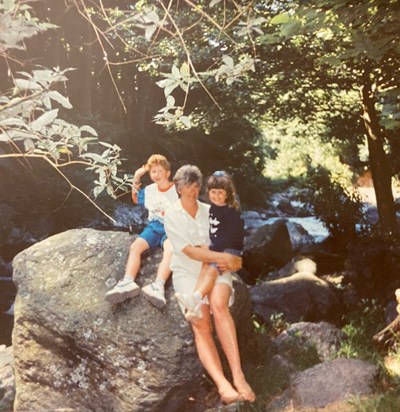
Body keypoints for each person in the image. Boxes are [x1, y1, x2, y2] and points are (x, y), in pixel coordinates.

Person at [164, 165, 255, 405]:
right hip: (187, 271)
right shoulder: (172, 214)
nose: (192, 192)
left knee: (219, 304)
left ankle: (239, 376)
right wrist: (227, 258)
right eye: (186, 187)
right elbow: (191, 252)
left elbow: (230, 237)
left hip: (216, 270)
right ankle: (223, 385)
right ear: (178, 188)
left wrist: (233, 259)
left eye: (195, 187)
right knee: (201, 323)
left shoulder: (210, 210)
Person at [105, 154, 178, 308]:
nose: (156, 175)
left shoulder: (177, 190)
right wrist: (137, 177)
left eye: (159, 171)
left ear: (168, 172)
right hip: (154, 227)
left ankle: (158, 286)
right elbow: (136, 199)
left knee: (170, 251)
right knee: (135, 247)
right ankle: (127, 282)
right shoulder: (150, 190)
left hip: (171, 229)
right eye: (153, 172)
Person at [175, 170, 244, 320]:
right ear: (208, 192)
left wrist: (211, 249)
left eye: (220, 193)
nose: (217, 196)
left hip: (229, 249)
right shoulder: (211, 209)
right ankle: (194, 302)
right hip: (219, 247)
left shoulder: (230, 212)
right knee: (205, 266)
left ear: (227, 194)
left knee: (212, 268)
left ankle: (197, 297)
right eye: (214, 192)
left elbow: (228, 238)